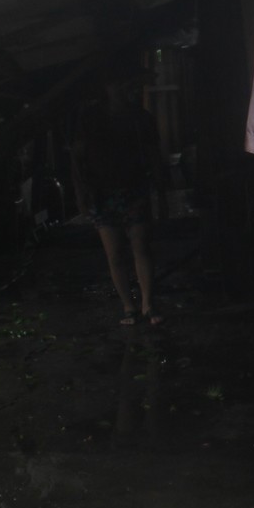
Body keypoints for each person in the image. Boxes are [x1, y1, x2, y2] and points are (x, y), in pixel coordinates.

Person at [70, 78, 162, 327]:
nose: (119, 88)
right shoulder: (90, 118)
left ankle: (147, 303)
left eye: (122, 84)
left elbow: (154, 153)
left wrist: (160, 184)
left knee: (140, 245)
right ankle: (128, 306)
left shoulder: (139, 117)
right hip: (102, 191)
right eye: (113, 84)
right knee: (115, 253)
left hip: (134, 187)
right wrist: (81, 193)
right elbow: (78, 158)